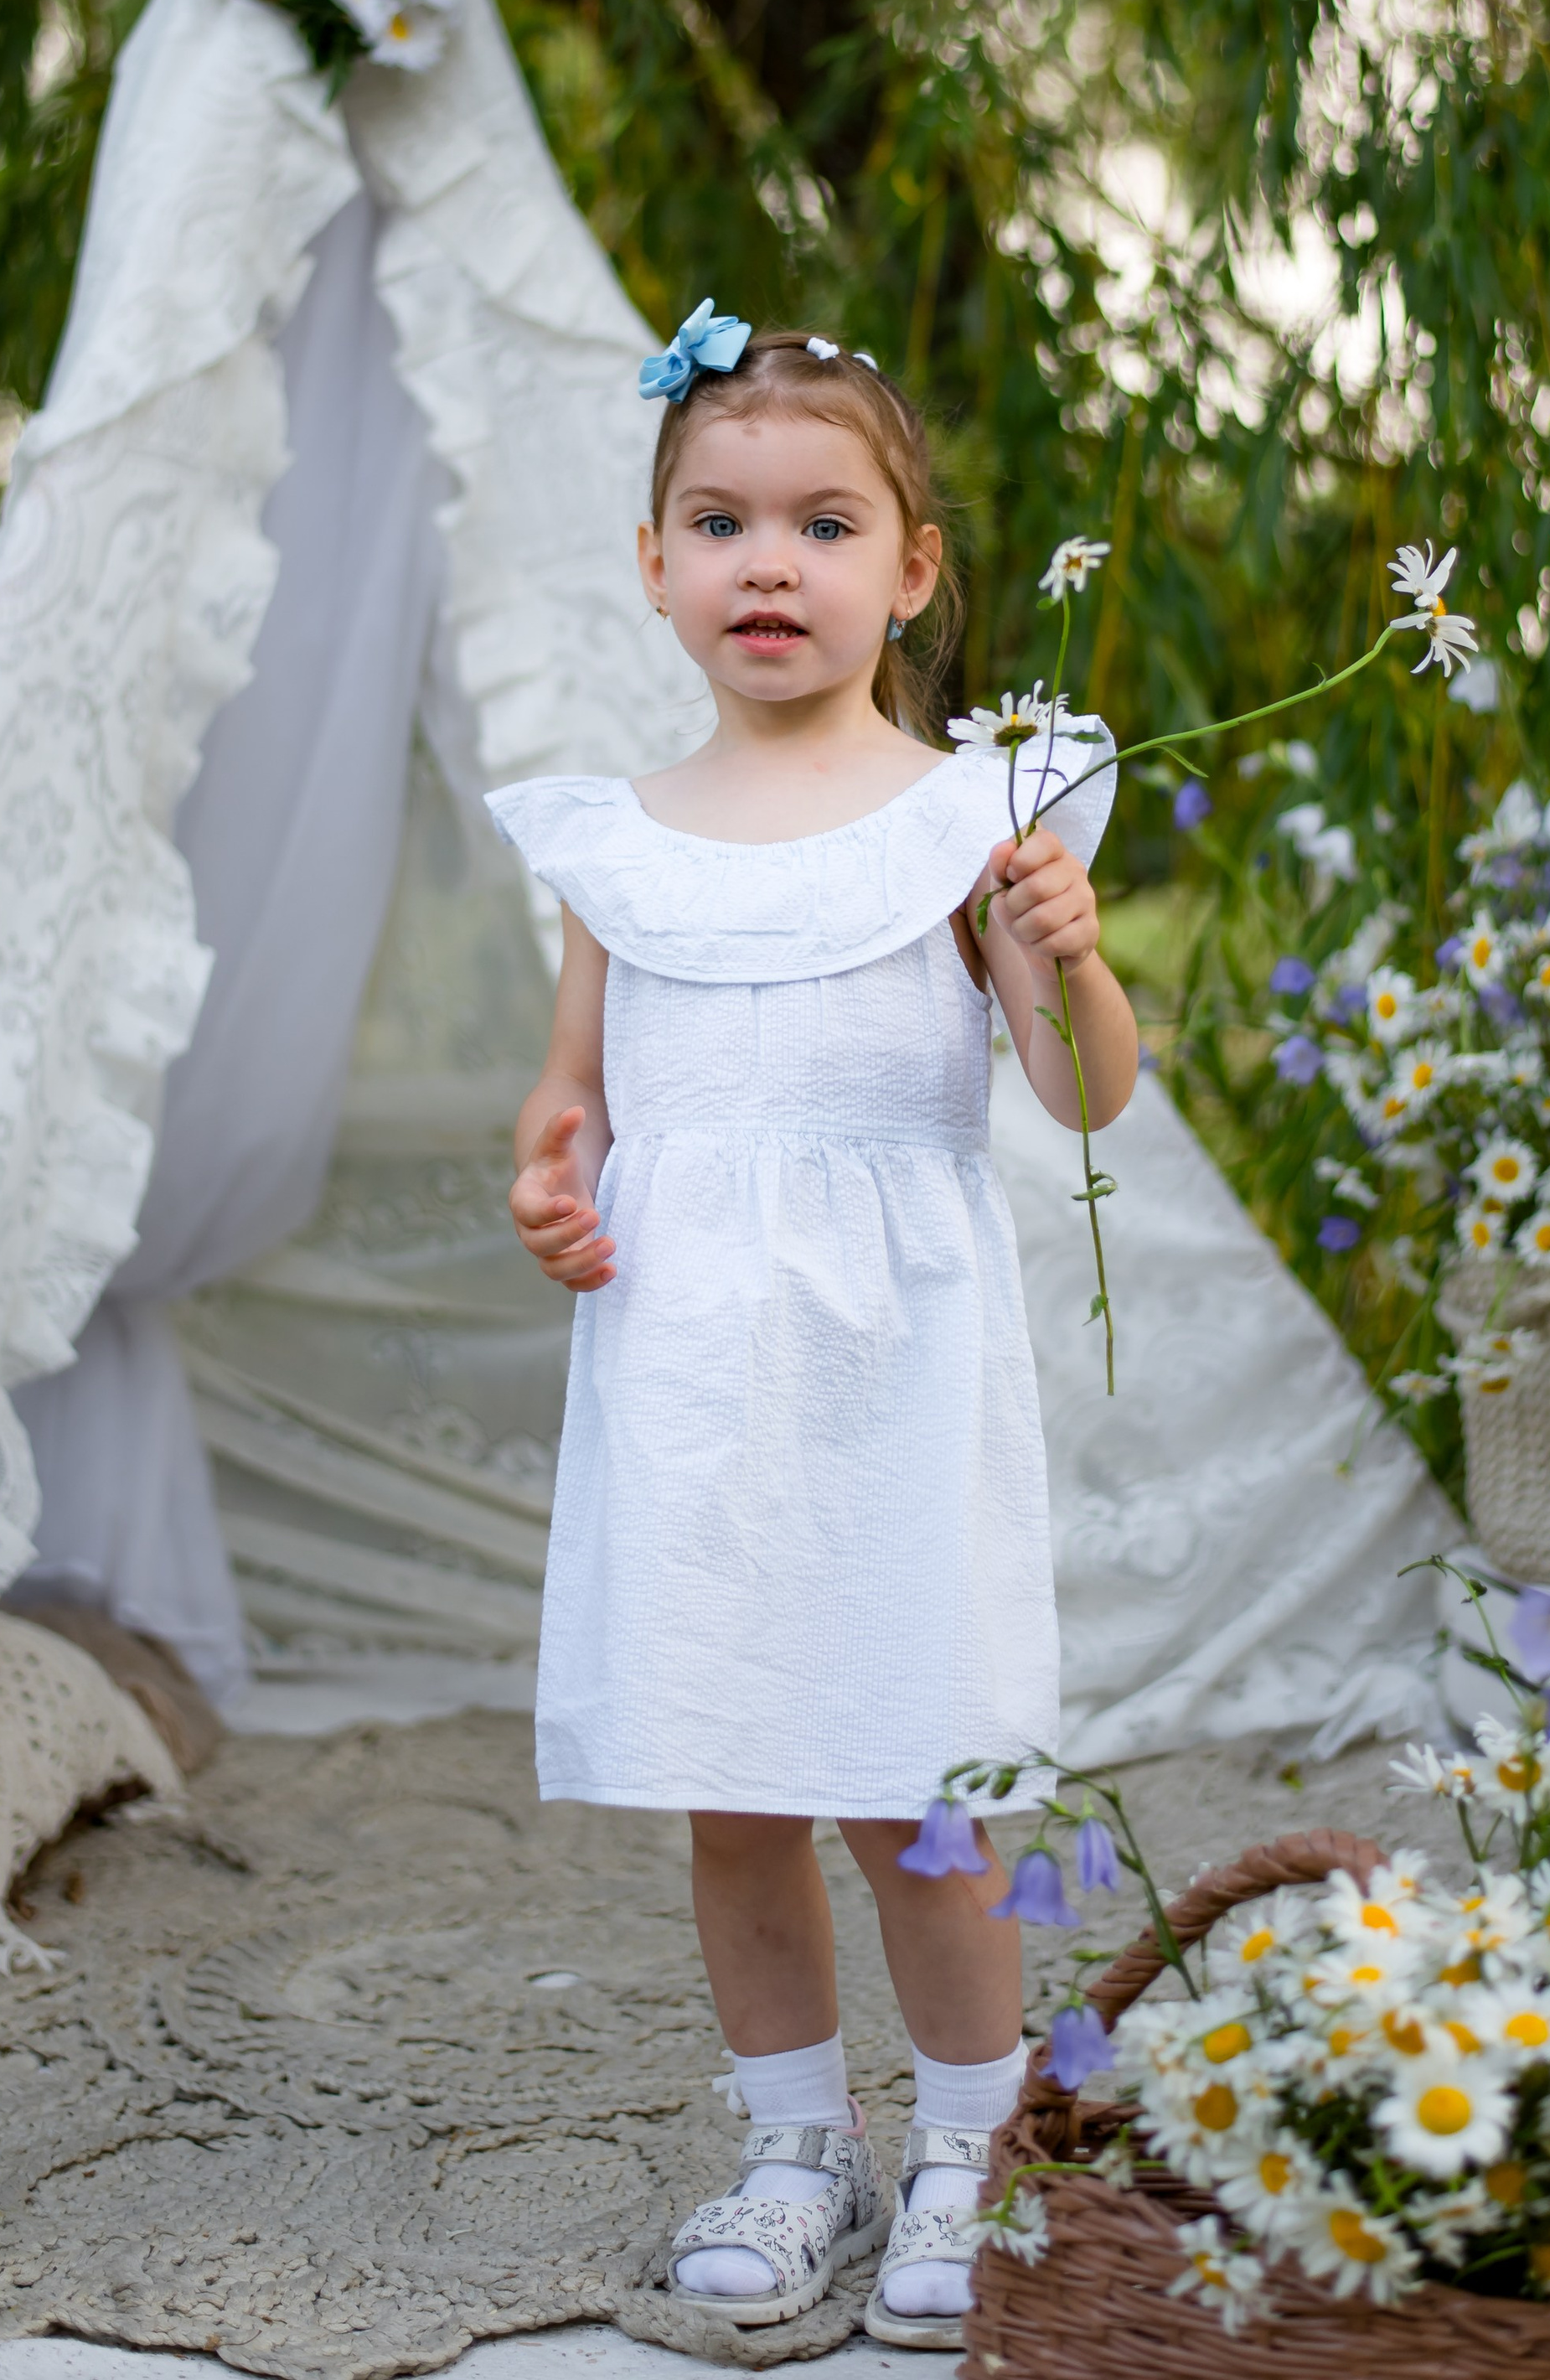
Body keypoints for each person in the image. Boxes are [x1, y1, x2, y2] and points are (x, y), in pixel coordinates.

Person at [487, 313, 1137, 2347]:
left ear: (909, 570)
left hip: (888, 1367)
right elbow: (571, 1095)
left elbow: (1079, 1095)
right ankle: (795, 2145)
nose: (768, 563)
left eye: (820, 522)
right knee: (735, 1780)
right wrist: (552, 1188)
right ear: (657, 562)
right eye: (720, 521)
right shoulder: (616, 844)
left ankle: (967, 2140)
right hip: (690, 1362)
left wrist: (1073, 962)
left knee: (908, 1784)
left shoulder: (976, 819)